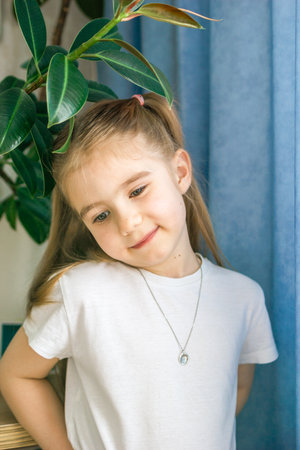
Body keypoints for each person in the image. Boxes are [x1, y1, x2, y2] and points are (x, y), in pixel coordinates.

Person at [0, 93, 278, 450]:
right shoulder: (80, 292)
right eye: (101, 215)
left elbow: (234, 390)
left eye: (137, 190)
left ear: (180, 172)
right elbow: (16, 373)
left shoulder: (243, 298)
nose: (128, 223)